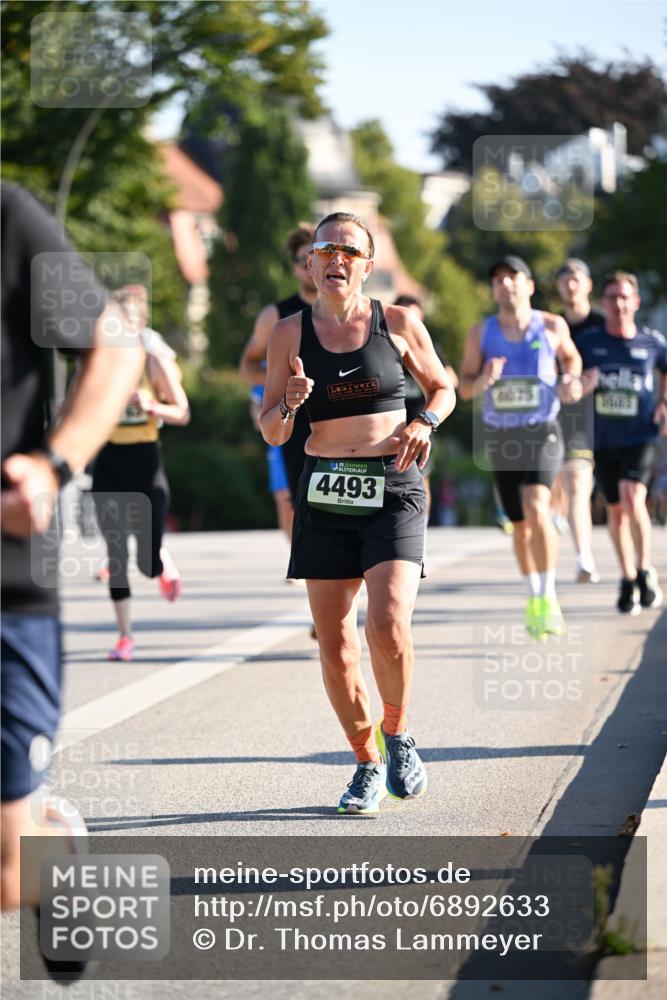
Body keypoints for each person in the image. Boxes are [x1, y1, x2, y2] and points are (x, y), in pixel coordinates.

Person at [260, 211, 455, 814]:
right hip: (325, 489)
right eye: (326, 248)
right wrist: (289, 405)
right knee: (335, 641)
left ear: (368, 265)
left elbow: (444, 388)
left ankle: (397, 735)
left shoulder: (396, 322)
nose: (336, 258)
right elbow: (270, 431)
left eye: (349, 249)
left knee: (388, 622)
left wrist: (423, 420)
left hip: (393, 483)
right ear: (310, 262)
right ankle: (366, 763)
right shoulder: (288, 334)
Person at [1, 182, 144, 918]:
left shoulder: (8, 219)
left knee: (8, 880)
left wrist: (53, 468)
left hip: (6, 582)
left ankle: (46, 843)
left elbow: (116, 344)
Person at [459, 255, 582, 639]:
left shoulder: (551, 324)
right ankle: (533, 595)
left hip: (542, 428)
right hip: (502, 435)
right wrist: (484, 379)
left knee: (537, 505)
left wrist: (571, 379)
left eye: (513, 277)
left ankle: (548, 595)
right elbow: (463, 388)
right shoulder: (481, 332)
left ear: (529, 285)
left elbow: (572, 359)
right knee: (519, 524)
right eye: (498, 280)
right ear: (493, 290)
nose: (505, 285)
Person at [91, 285, 190, 662]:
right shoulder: (96, 363)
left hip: (146, 461)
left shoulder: (153, 362)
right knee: (115, 553)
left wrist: (153, 406)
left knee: (146, 565)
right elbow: (72, 407)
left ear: (140, 325)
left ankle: (159, 561)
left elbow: (182, 412)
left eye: (128, 323)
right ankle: (124, 636)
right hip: (109, 461)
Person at [578, 271, 667, 614]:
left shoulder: (652, 342)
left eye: (624, 297)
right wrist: (582, 384)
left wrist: (663, 402)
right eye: (612, 297)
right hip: (603, 438)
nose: (618, 304)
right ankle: (628, 577)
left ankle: (645, 569)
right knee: (616, 509)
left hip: (641, 434)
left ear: (636, 302)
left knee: (633, 495)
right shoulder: (589, 343)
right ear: (603, 303)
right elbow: (570, 375)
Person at [240, 224, 317, 542]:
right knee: (291, 498)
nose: (312, 267)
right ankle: (302, 559)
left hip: (339, 413)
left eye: (319, 257)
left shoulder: (359, 312)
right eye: (304, 260)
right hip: (293, 414)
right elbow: (247, 365)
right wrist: (280, 382)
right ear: (294, 267)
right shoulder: (277, 315)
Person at [555, 258, 605, 582]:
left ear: (588, 284)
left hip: (604, 413)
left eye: (577, 278)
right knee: (576, 483)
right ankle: (584, 557)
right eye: (565, 279)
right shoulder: (553, 324)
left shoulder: (603, 323)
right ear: (559, 288)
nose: (571, 284)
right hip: (565, 413)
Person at [394, 294, 458, 519]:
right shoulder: (384, 342)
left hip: (422, 421)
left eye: (414, 314)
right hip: (391, 425)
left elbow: (451, 382)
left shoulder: (428, 347)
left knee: (421, 477)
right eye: (404, 312)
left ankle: (420, 529)